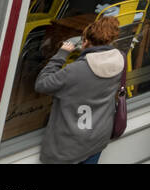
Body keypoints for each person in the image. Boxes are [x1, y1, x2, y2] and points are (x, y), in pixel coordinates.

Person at [34, 15, 125, 164]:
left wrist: (61, 54)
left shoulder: (76, 70)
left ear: (85, 42)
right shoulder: (120, 59)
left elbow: (42, 84)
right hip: (98, 137)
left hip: (69, 146)